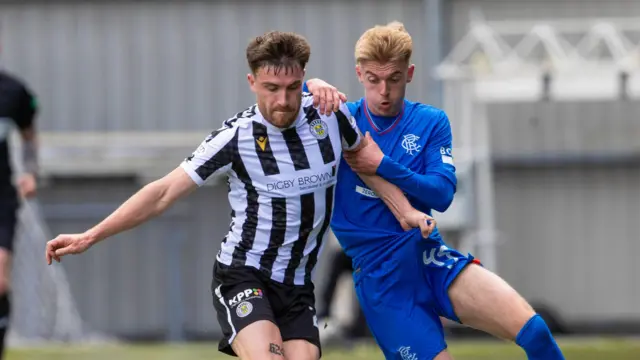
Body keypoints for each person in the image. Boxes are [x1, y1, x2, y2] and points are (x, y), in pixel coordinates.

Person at [44, 30, 436, 360]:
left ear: (304, 79)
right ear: (252, 83)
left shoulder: (330, 117)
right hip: (242, 274)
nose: (282, 101)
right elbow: (163, 192)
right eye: (270, 88)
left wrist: (406, 213)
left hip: (298, 284)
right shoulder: (235, 137)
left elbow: (363, 162)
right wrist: (89, 235)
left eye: (292, 88)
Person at [303, 22, 565, 360]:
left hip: (433, 260)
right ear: (359, 74)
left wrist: (382, 163)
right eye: (374, 80)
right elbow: (284, 98)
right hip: (385, 284)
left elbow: (441, 194)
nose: (384, 91)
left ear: (409, 74)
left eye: (394, 79)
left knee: (537, 333)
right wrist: (314, 84)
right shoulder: (342, 122)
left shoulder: (430, 121)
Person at [0, 64, 39, 358]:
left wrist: (29, 171)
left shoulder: (13, 90)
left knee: (0, 277)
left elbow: (28, 134)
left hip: (1, 197)